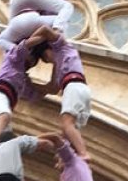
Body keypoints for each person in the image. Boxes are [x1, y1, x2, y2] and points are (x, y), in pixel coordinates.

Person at [0, 24, 58, 147]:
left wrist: (56, 63)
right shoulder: (12, 59)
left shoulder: (24, 82)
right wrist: (45, 38)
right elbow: (26, 45)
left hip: (2, 108)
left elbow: (52, 89)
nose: (31, 59)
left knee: (8, 141)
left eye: (34, 59)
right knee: (4, 116)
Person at [30, 25, 92, 159]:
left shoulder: (63, 48)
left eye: (45, 57)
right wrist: (29, 84)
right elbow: (52, 89)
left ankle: (83, 153)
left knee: (67, 123)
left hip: (73, 86)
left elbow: (45, 29)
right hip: (80, 89)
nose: (48, 61)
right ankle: (68, 159)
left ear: (48, 49)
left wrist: (28, 44)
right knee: (67, 132)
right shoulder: (58, 66)